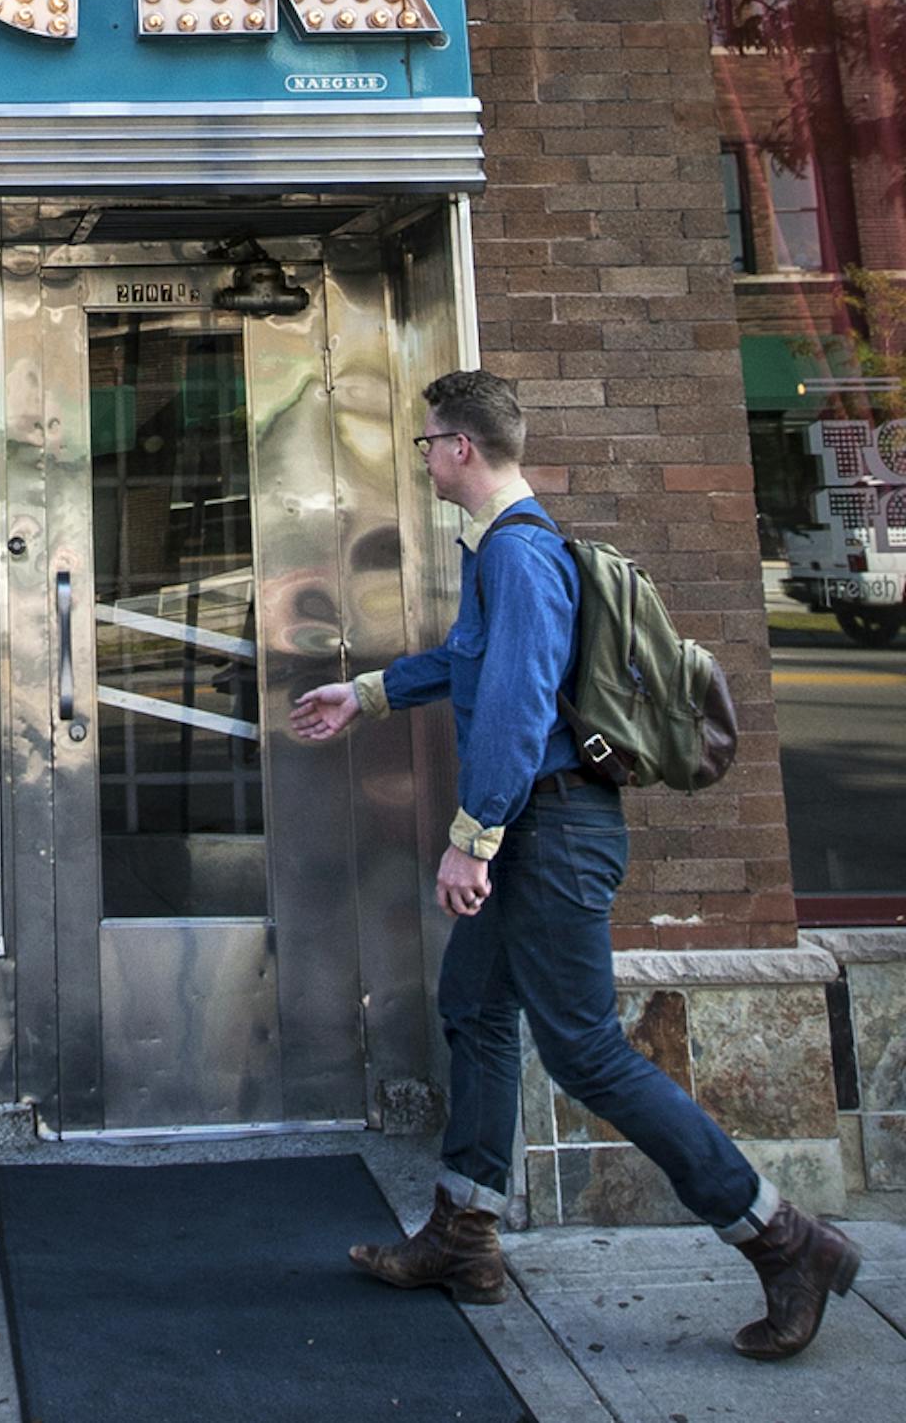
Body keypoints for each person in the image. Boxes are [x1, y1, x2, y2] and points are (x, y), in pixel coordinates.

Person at [292, 367, 859, 1365]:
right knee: (473, 1009)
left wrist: (473, 842)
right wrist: (369, 693)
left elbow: (512, 712)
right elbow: (471, 662)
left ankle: (781, 1237)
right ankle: (465, 1233)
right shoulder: (503, 552)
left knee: (588, 1051)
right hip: (541, 833)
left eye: (429, 442)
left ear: (462, 447)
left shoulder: (519, 557)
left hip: (549, 837)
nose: (424, 456)